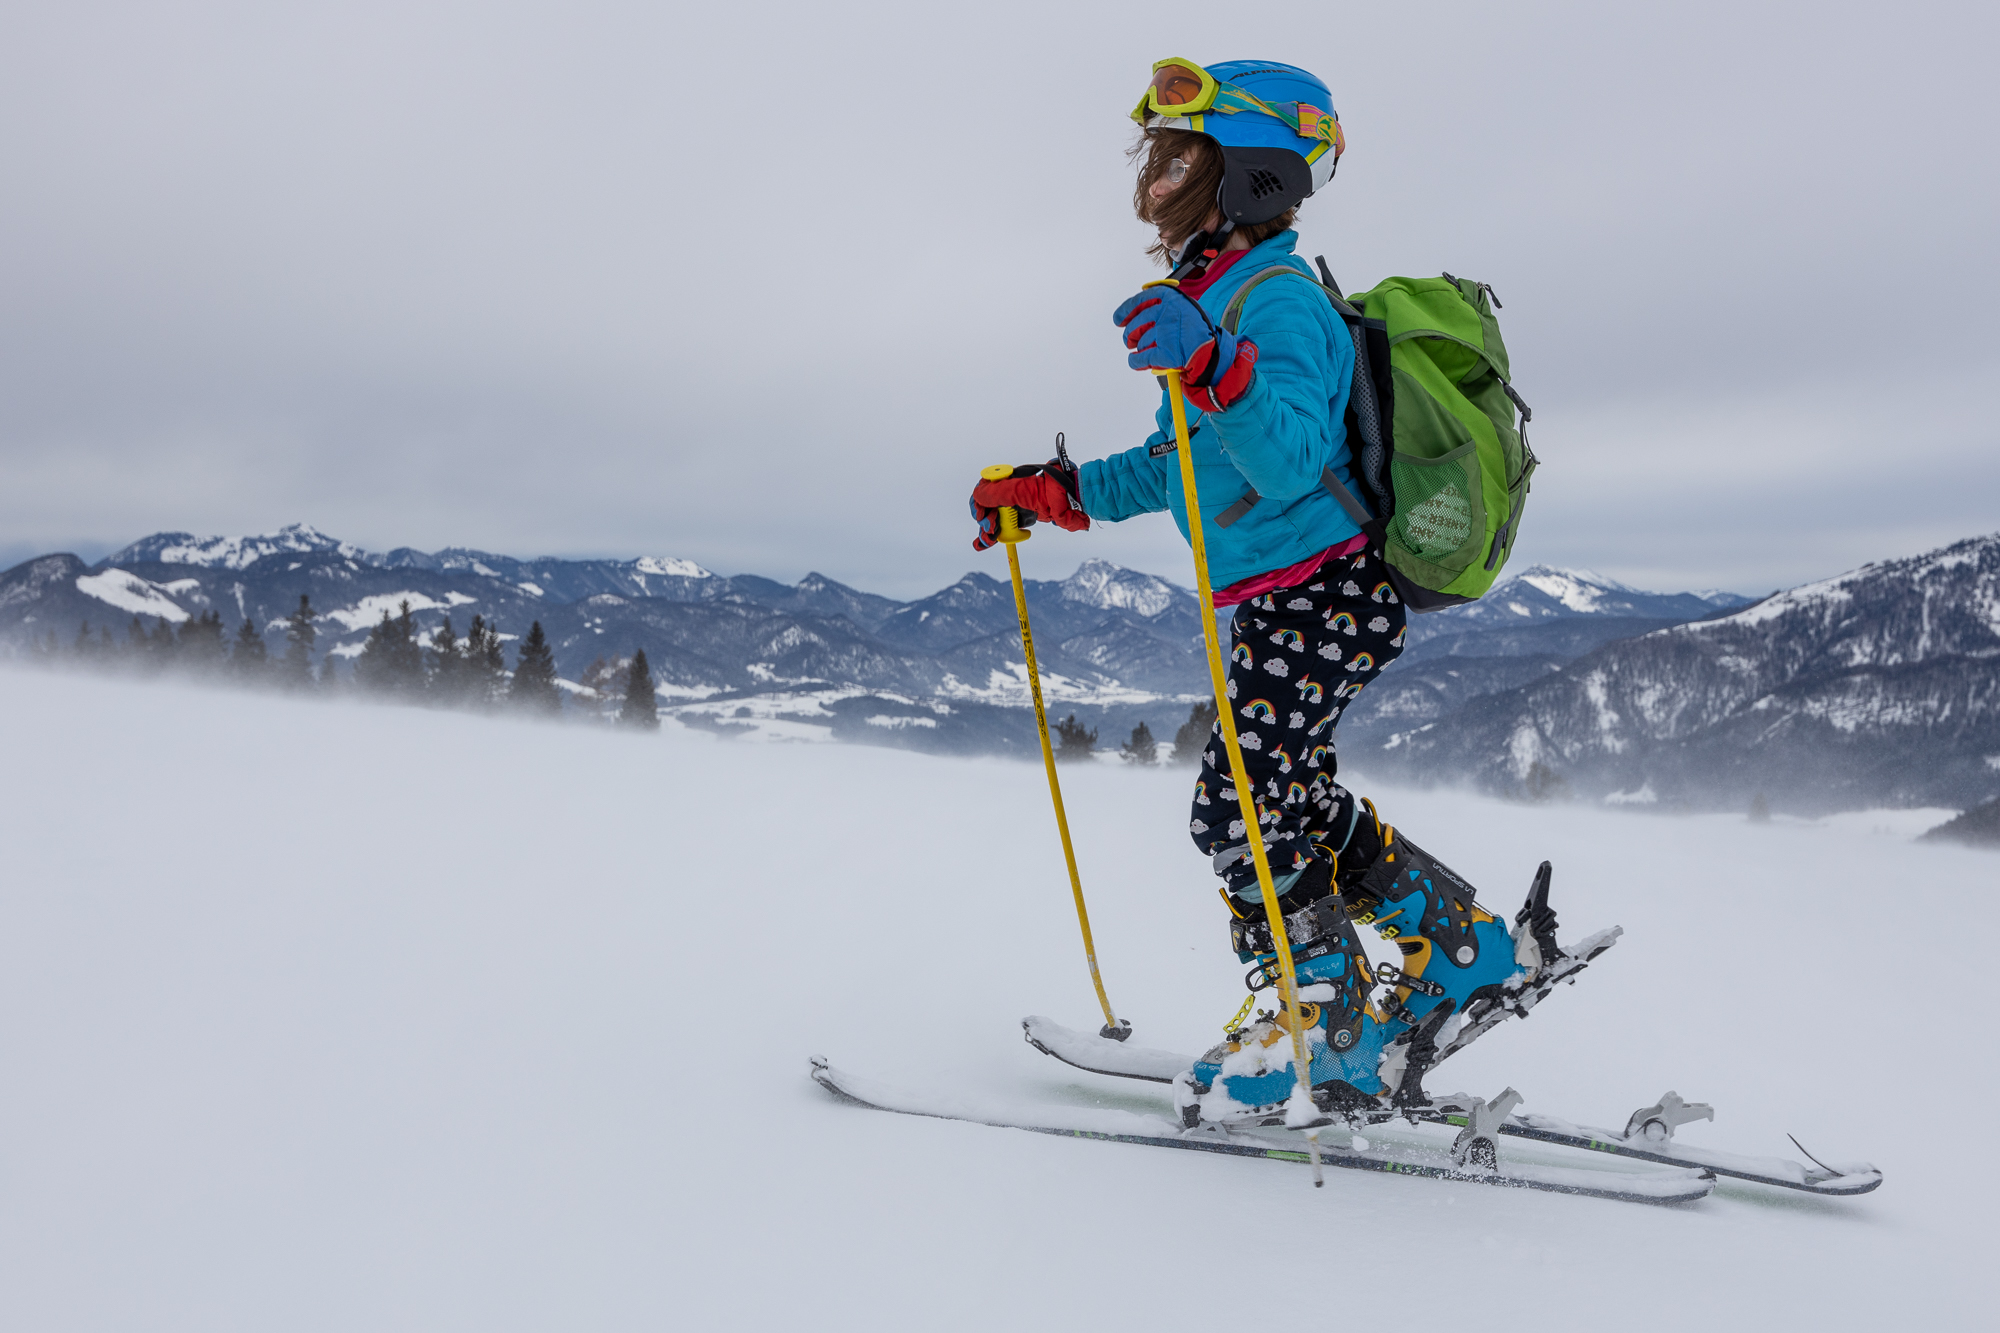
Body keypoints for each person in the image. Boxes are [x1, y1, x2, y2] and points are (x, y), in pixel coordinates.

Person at [969, 59, 1535, 1122]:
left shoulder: (1274, 305)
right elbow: (1173, 464)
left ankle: (1326, 1022)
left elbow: (1283, 457)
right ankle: (1461, 948)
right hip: (1292, 607)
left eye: (1182, 157)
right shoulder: (1215, 300)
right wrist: (1052, 494)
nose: (1157, 179)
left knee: (1235, 809)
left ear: (1251, 180)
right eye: (1156, 158)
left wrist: (1217, 363)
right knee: (1286, 799)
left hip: (1323, 595)